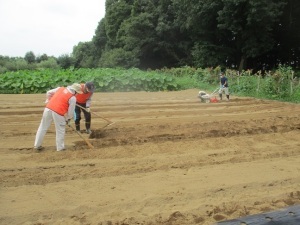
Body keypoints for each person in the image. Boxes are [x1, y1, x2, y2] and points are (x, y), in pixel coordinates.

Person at [34, 83, 83, 151]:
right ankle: (60, 148)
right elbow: (71, 112)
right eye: (77, 93)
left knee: (42, 127)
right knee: (60, 130)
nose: (77, 94)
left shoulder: (60, 88)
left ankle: (37, 146)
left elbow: (49, 92)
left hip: (48, 108)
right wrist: (68, 119)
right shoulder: (73, 98)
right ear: (75, 91)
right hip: (59, 113)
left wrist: (48, 100)